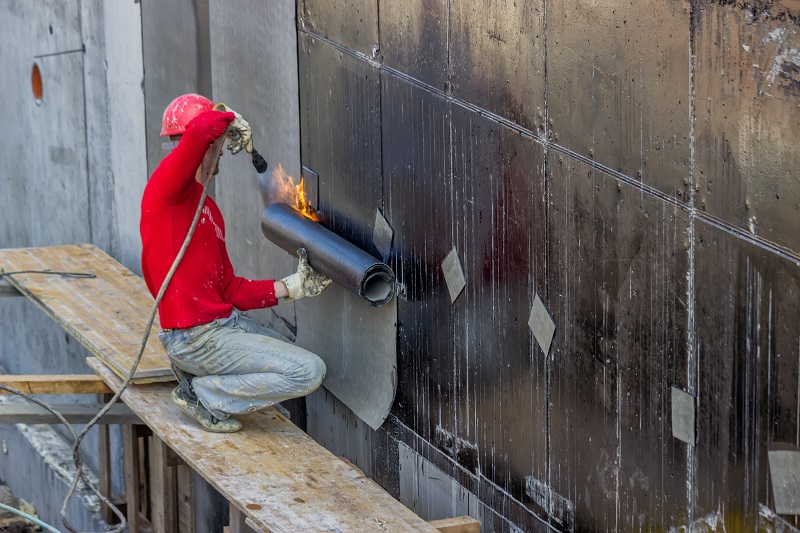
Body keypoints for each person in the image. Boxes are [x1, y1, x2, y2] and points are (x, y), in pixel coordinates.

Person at [140, 93, 331, 433]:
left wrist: (293, 287)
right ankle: (206, 395)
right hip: (195, 339)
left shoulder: (207, 210)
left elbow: (229, 289)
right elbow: (199, 132)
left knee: (287, 355)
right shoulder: (166, 193)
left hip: (222, 327)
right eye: (219, 144)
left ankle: (204, 379)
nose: (222, 153)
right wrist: (227, 118)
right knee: (308, 371)